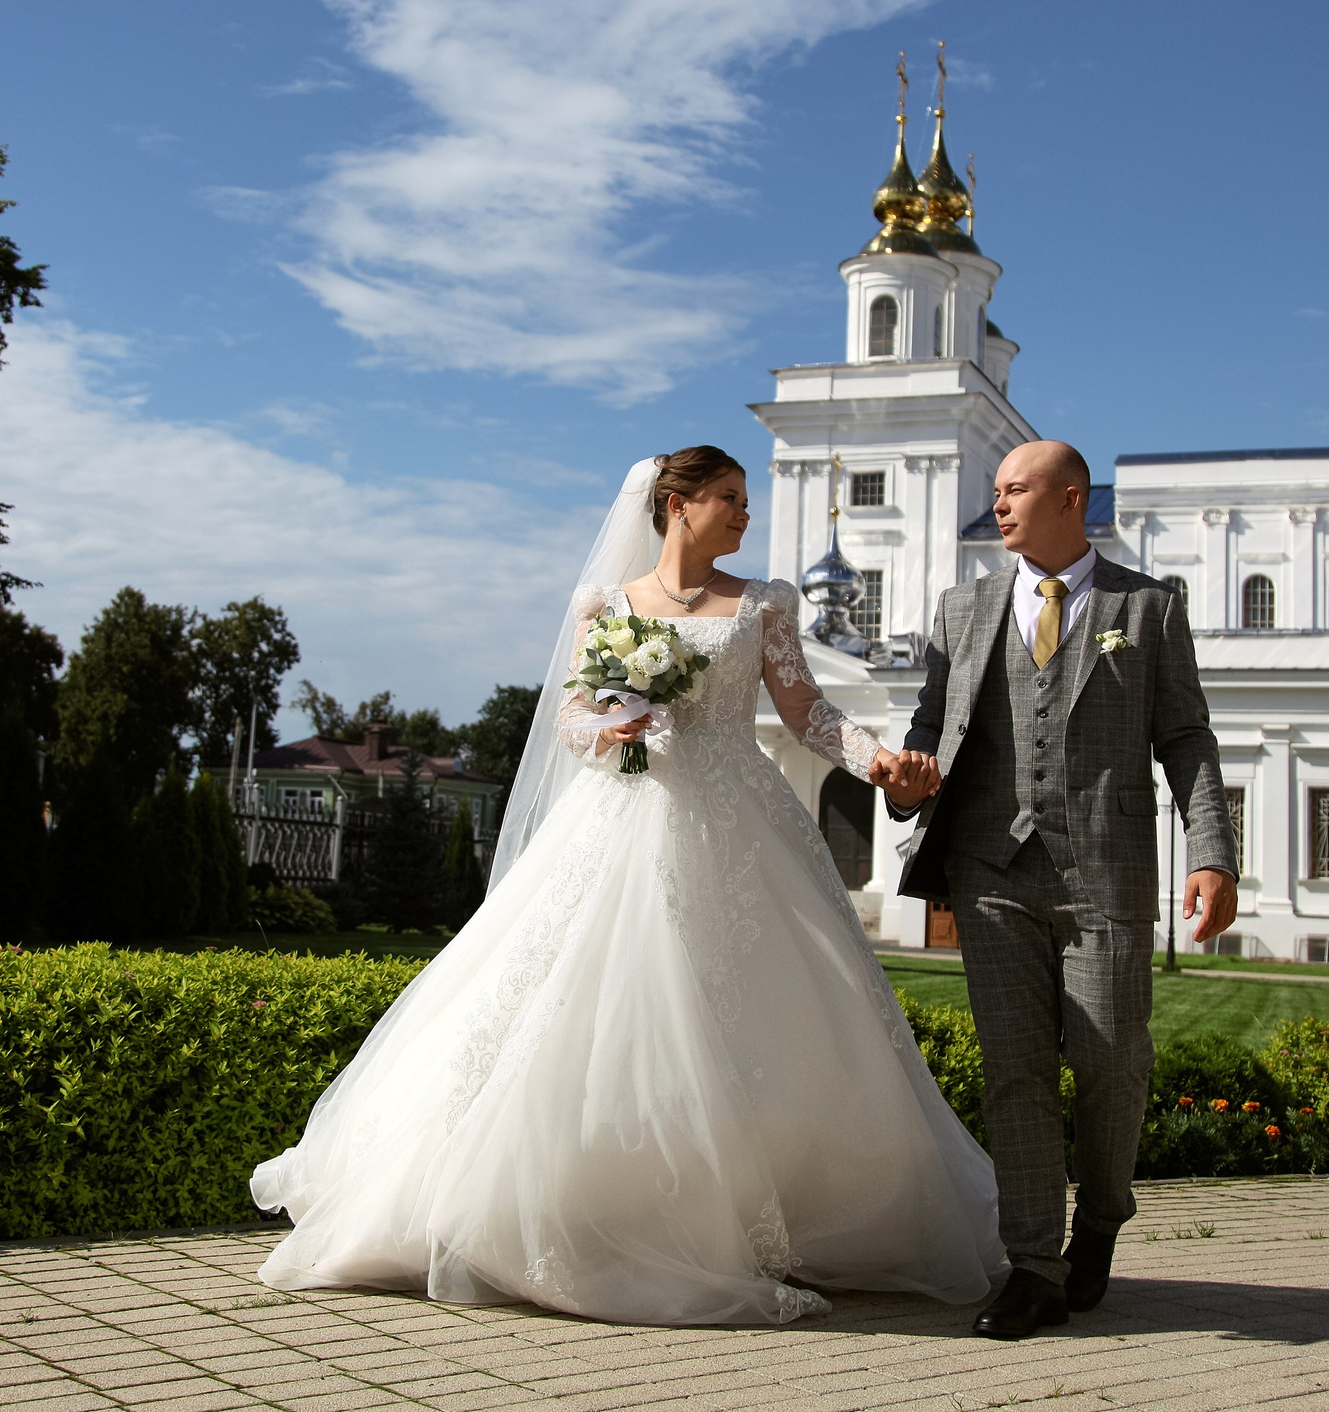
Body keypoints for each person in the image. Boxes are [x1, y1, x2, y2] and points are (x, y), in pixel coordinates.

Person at [250, 448, 1003, 1326]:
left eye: (747, 501)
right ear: (675, 505)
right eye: (728, 498)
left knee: (763, 1014)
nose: (744, 514)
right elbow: (570, 712)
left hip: (737, 819)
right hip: (620, 816)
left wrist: (880, 762)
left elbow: (808, 713)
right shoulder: (604, 606)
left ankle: (762, 1218)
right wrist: (612, 726)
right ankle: (556, 1210)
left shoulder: (763, 605)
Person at [890, 439, 1237, 1339]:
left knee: (1113, 1060)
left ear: (1071, 498)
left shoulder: (1148, 606)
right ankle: (1033, 1265)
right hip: (988, 869)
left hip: (1105, 874)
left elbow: (1188, 737)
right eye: (996, 491)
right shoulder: (962, 608)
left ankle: (1105, 1216)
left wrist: (1213, 851)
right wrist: (905, 778)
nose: (998, 504)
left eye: (1014, 490)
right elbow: (930, 724)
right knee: (1016, 1073)